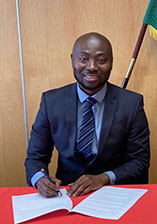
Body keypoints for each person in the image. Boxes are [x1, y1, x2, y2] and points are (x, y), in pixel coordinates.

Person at [25, 32, 150, 197]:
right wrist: (40, 179)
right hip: (66, 195)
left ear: (111, 62)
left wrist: (104, 178)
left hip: (114, 194)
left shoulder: (131, 104)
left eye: (101, 60)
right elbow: (35, 157)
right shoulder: (51, 102)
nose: (92, 67)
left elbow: (139, 161)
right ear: (72, 59)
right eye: (83, 59)